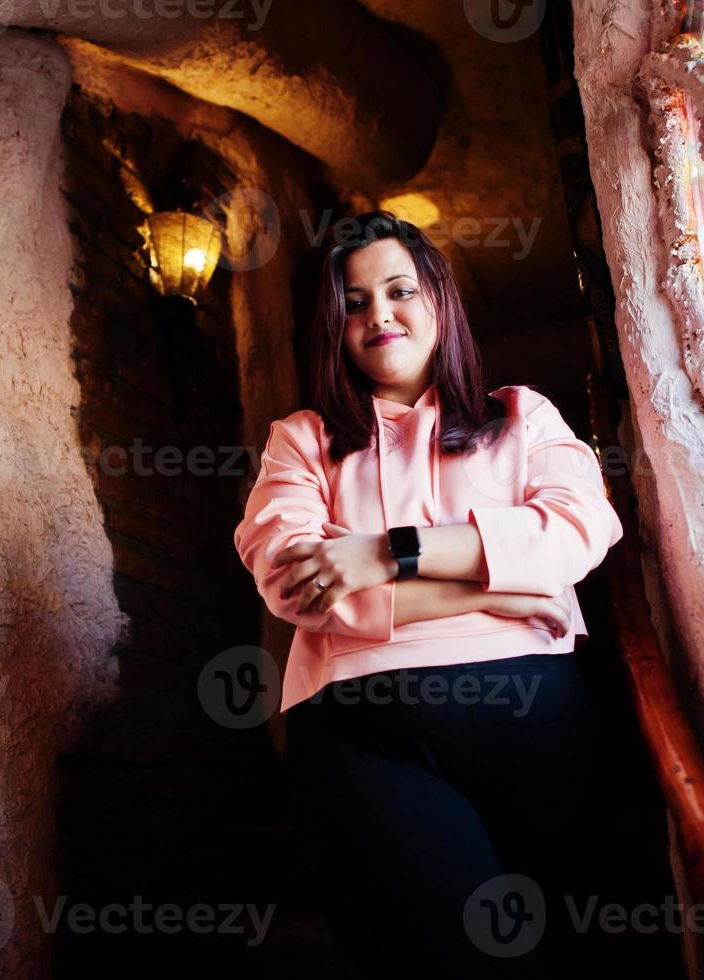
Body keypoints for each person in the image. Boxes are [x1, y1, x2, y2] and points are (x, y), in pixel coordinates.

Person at [232, 210, 623, 978]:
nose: (377, 313)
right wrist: (506, 593)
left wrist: (386, 555)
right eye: (351, 301)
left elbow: (577, 534)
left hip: (539, 728)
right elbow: (297, 584)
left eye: (398, 289)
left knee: (566, 959)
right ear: (331, 326)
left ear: (438, 300)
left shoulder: (521, 416)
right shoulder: (302, 439)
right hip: (364, 738)